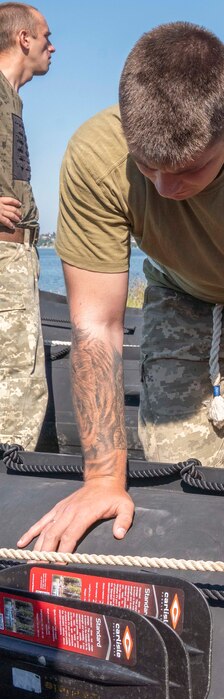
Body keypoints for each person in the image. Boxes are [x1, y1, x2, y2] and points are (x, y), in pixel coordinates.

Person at [16, 23, 224, 567]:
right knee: (179, 473)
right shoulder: (94, 157)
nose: (166, 189)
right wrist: (102, 479)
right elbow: (95, 326)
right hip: (180, 298)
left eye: (190, 168)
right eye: (147, 167)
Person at [0, 2, 53, 451]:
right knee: (18, 395)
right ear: (24, 39)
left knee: (24, 387)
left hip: (19, 258)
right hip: (3, 258)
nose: (51, 47)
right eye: (45, 37)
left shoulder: (9, 98)